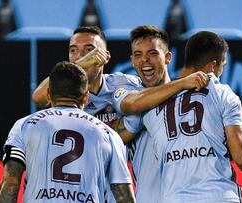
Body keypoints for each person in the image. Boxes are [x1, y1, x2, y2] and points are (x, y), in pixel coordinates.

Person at [112, 26, 242, 202]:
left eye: (152, 53)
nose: (145, 60)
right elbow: (240, 154)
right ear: (213, 66)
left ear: (168, 57)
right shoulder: (136, 96)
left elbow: (221, 131)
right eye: (138, 55)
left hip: (173, 197)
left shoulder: (152, 110)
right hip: (217, 195)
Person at [31, 26, 209, 202]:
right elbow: (38, 98)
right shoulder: (65, 94)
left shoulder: (124, 85)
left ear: (105, 56)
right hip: (72, 191)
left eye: (89, 50)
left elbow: (134, 108)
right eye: (73, 51)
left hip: (115, 190)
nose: (81, 56)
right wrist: (79, 66)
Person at [0, 61, 135, 203]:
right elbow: (124, 196)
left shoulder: (25, 124)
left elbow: (11, 184)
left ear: (49, 94)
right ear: (86, 97)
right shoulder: (109, 134)